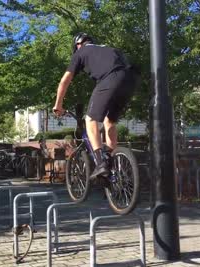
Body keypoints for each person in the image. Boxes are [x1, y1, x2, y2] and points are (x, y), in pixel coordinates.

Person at [53, 32, 139, 181]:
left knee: (90, 119)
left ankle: (100, 163)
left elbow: (64, 81)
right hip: (130, 81)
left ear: (78, 45)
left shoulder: (80, 53)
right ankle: (113, 164)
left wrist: (58, 105)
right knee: (109, 122)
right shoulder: (109, 49)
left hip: (110, 79)